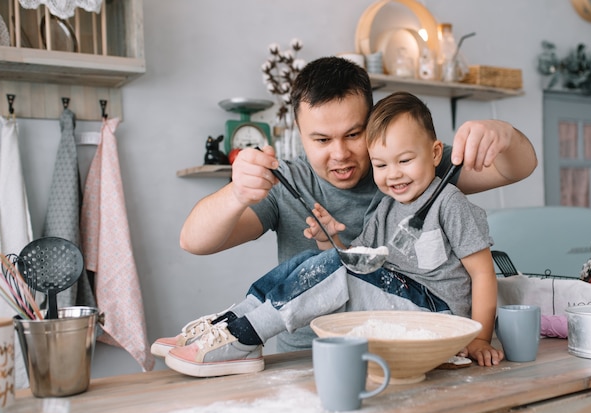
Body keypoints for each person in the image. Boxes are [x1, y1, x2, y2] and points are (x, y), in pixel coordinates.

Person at [168, 56, 536, 354]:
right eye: (322, 139)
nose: (340, 153)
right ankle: (226, 327)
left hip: (416, 328)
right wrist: (236, 193)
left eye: (354, 135)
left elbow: (520, 166)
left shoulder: (418, 167)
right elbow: (193, 241)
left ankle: (245, 335)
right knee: (314, 263)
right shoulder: (292, 182)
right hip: (306, 355)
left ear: (373, 126)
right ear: (300, 136)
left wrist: (503, 135)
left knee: (330, 266)